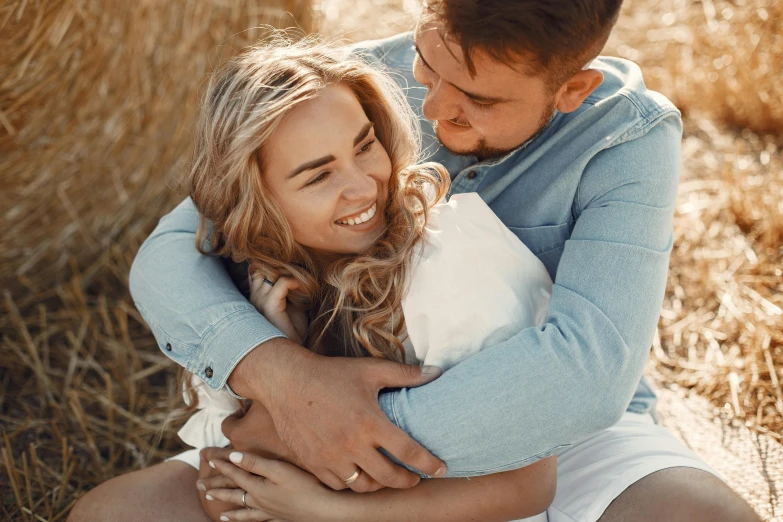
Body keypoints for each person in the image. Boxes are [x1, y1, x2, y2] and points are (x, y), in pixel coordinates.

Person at [69, 0, 762, 521]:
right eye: (429, 69)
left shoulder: (626, 137)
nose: (432, 111)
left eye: (479, 99)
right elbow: (170, 255)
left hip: (549, 432)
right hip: (314, 402)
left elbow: (581, 377)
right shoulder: (346, 90)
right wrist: (283, 374)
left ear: (570, 90)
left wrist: (322, 447)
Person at [168, 37, 556, 521]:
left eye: (365, 145)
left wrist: (325, 510)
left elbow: (529, 484)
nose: (363, 186)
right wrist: (282, 357)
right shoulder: (264, 283)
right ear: (256, 200)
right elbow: (226, 483)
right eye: (318, 177)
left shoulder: (452, 268)